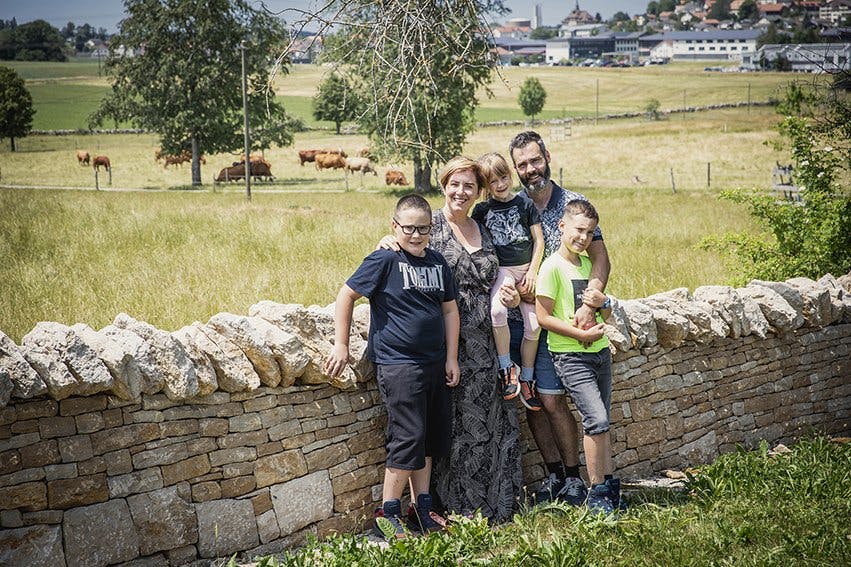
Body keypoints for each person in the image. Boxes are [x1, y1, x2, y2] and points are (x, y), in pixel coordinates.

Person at [378, 156, 523, 522]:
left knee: (492, 424)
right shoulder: (429, 226)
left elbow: (502, 275)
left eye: (470, 186)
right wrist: (384, 242)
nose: (461, 191)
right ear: (444, 186)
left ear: (479, 191)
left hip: (489, 343)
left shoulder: (483, 226)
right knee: (451, 431)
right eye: (455, 184)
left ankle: (497, 506)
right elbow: (398, 249)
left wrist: (512, 295)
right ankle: (443, 508)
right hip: (447, 346)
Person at [324, 194, 461, 539]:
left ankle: (422, 508)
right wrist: (341, 344)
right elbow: (346, 296)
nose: (416, 235)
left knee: (429, 438)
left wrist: (451, 357)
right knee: (408, 437)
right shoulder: (385, 259)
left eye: (423, 229)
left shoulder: (437, 262)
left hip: (434, 363)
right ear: (394, 226)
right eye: (408, 228)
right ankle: (388, 513)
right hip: (399, 364)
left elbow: (449, 310)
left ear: (431, 229)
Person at [507, 130, 611, 506]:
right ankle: (555, 475)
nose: (531, 169)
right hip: (528, 321)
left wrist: (590, 302)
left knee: (562, 403)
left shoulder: (574, 204)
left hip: (571, 319)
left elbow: (600, 257)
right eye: (522, 165)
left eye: (535, 160)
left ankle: (575, 477)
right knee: (536, 400)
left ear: (547, 155)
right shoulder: (513, 204)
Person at [535, 199, 619, 514]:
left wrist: (604, 301)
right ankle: (597, 494)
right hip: (569, 355)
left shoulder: (588, 266)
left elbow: (605, 313)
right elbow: (544, 317)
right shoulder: (551, 267)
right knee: (595, 419)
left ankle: (611, 487)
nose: (583, 238)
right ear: (562, 227)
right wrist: (580, 335)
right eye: (578, 230)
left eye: (589, 233)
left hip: (599, 354)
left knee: (603, 422)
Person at [472, 153, 544, 411]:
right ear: (485, 186)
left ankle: (527, 378)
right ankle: (506, 368)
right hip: (503, 270)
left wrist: (533, 271)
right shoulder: (482, 210)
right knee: (498, 310)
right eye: (493, 182)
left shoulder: (524, 204)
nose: (500, 185)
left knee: (534, 326)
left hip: (527, 270)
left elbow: (539, 240)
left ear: (510, 175)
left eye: (503, 178)